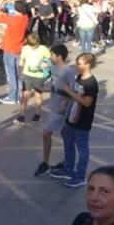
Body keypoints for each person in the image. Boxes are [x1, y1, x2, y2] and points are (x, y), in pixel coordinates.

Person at [50, 53, 99, 189]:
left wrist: (70, 92)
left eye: (79, 63)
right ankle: (68, 168)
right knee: (68, 143)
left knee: (82, 150)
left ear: (88, 65)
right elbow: (73, 92)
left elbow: (86, 102)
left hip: (82, 121)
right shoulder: (78, 77)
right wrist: (65, 102)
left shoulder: (91, 84)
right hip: (71, 117)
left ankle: (80, 176)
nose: (76, 66)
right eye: (77, 63)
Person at [35, 45, 75, 177]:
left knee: (46, 133)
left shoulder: (67, 71)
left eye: (52, 55)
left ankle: (45, 163)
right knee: (66, 135)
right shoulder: (54, 69)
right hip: (54, 104)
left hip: (61, 108)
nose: (50, 57)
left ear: (59, 56)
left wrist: (64, 102)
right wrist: (43, 89)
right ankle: (67, 163)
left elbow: (73, 89)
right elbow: (54, 85)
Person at [0, 0, 29, 105]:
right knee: (18, 74)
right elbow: (20, 8)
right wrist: (14, 0)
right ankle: (18, 95)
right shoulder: (25, 18)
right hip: (19, 48)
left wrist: (1, 2)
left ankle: (12, 97)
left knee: (11, 74)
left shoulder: (13, 20)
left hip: (10, 48)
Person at [17, 32, 52, 124]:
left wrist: (46, 72)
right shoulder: (25, 48)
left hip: (39, 76)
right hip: (27, 74)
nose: (32, 47)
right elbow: (22, 60)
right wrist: (20, 72)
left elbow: (48, 61)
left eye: (34, 45)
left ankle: (37, 114)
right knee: (25, 95)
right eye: (31, 45)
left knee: (38, 94)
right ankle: (21, 115)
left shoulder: (43, 49)